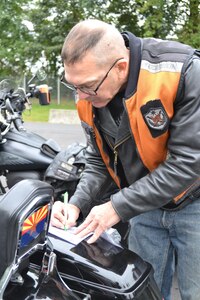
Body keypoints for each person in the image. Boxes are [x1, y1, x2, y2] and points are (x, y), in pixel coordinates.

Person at [51, 19, 200, 300]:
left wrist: (116, 207)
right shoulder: (88, 93)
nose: (80, 96)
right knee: (144, 290)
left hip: (195, 205)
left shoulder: (182, 72)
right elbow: (98, 160)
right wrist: (76, 204)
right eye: (74, 86)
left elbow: (189, 162)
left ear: (120, 67)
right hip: (144, 207)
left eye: (88, 86)